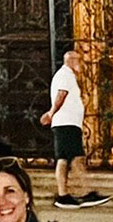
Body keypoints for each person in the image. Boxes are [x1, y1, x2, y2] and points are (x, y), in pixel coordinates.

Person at [43, 50, 107, 206]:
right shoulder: (65, 75)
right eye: (79, 60)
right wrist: (51, 113)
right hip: (66, 124)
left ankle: (63, 196)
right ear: (71, 60)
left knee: (64, 159)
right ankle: (85, 193)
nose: (82, 64)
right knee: (76, 158)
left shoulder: (65, 75)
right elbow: (61, 94)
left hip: (67, 123)